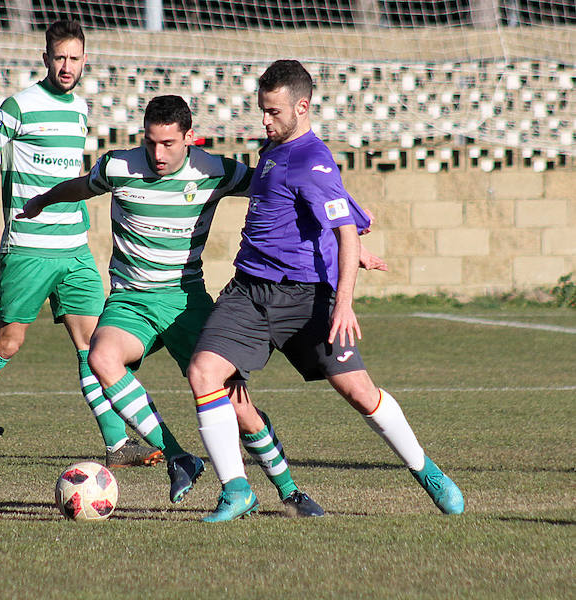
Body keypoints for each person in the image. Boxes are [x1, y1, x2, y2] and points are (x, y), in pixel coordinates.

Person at [186, 59, 465, 521]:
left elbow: (347, 230)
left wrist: (344, 302)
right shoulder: (272, 148)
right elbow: (324, 218)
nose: (265, 120)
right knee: (204, 374)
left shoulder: (313, 160)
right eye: (262, 110)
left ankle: (425, 469)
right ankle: (236, 490)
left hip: (307, 299)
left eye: (273, 112)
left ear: (302, 106)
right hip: (249, 292)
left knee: (359, 393)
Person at [19, 95, 326, 511]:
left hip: (187, 302)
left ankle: (289, 491)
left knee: (239, 408)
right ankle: (179, 456)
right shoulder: (118, 167)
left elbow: (284, 189)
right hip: (132, 300)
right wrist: (43, 200)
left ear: (188, 138)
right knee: (101, 358)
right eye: (151, 143)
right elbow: (80, 185)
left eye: (168, 144)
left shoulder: (214, 169)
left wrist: (343, 227)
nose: (158, 154)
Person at [0, 20, 161, 471]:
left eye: (74, 58)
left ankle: (117, 446)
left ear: (84, 61)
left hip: (74, 252)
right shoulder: (20, 106)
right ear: (45, 59)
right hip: (28, 248)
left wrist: (81, 222)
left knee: (95, 347)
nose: (66, 66)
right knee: (7, 342)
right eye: (59, 57)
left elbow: (71, 176)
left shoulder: (80, 109)